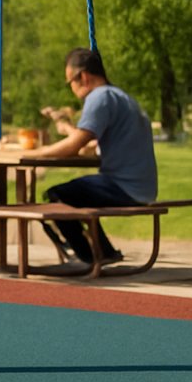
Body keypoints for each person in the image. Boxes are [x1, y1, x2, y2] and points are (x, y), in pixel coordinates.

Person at [29, 47, 157, 266]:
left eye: (70, 82)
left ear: (84, 76)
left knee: (58, 195)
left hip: (123, 187)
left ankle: (89, 256)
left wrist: (33, 153)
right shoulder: (121, 96)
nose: (71, 88)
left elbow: (75, 145)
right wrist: (68, 130)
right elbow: (87, 140)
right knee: (78, 195)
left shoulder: (99, 97)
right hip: (143, 187)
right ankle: (106, 252)